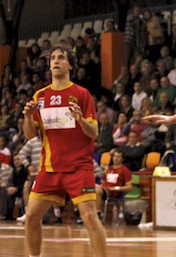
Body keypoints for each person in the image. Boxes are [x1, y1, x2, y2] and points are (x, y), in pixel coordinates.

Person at [22, 44, 106, 257]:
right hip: (49, 168)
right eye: (53, 58)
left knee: (89, 217)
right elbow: (30, 135)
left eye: (61, 57)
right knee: (31, 216)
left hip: (79, 167)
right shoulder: (40, 96)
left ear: (70, 65)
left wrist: (81, 120)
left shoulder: (81, 94)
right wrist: (27, 117)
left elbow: (94, 132)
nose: (56, 61)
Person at [96, 149, 132, 220]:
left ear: (122, 159)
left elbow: (130, 187)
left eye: (118, 157)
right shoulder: (108, 169)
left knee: (97, 191)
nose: (116, 158)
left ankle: (97, 214)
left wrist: (117, 188)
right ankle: (79, 214)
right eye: (115, 156)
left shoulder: (124, 170)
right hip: (104, 189)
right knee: (85, 190)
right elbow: (103, 182)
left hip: (114, 191)